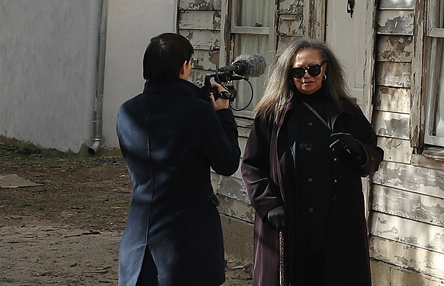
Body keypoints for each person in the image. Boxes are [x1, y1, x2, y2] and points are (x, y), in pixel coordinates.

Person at [240, 38, 384, 286]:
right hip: (289, 220)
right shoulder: (270, 114)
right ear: (289, 74)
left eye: (313, 69)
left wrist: (358, 149)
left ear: (325, 69)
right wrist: (269, 205)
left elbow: (373, 158)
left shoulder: (346, 111)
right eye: (298, 71)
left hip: (335, 222)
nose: (306, 76)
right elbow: (252, 166)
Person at [116, 33, 241, 286]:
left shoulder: (127, 110)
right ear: (184, 66)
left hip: (139, 233)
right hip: (187, 237)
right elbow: (227, 163)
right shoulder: (197, 111)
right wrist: (224, 114)